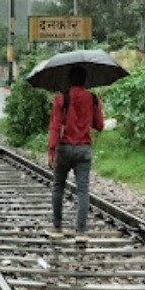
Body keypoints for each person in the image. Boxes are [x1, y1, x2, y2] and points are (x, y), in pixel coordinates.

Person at [47, 65, 105, 244]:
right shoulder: (93, 98)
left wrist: (51, 150)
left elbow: (55, 126)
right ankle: (80, 231)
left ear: (69, 80)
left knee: (58, 187)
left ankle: (57, 228)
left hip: (64, 148)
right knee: (83, 190)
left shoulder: (61, 98)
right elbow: (100, 126)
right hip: (84, 149)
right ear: (85, 80)